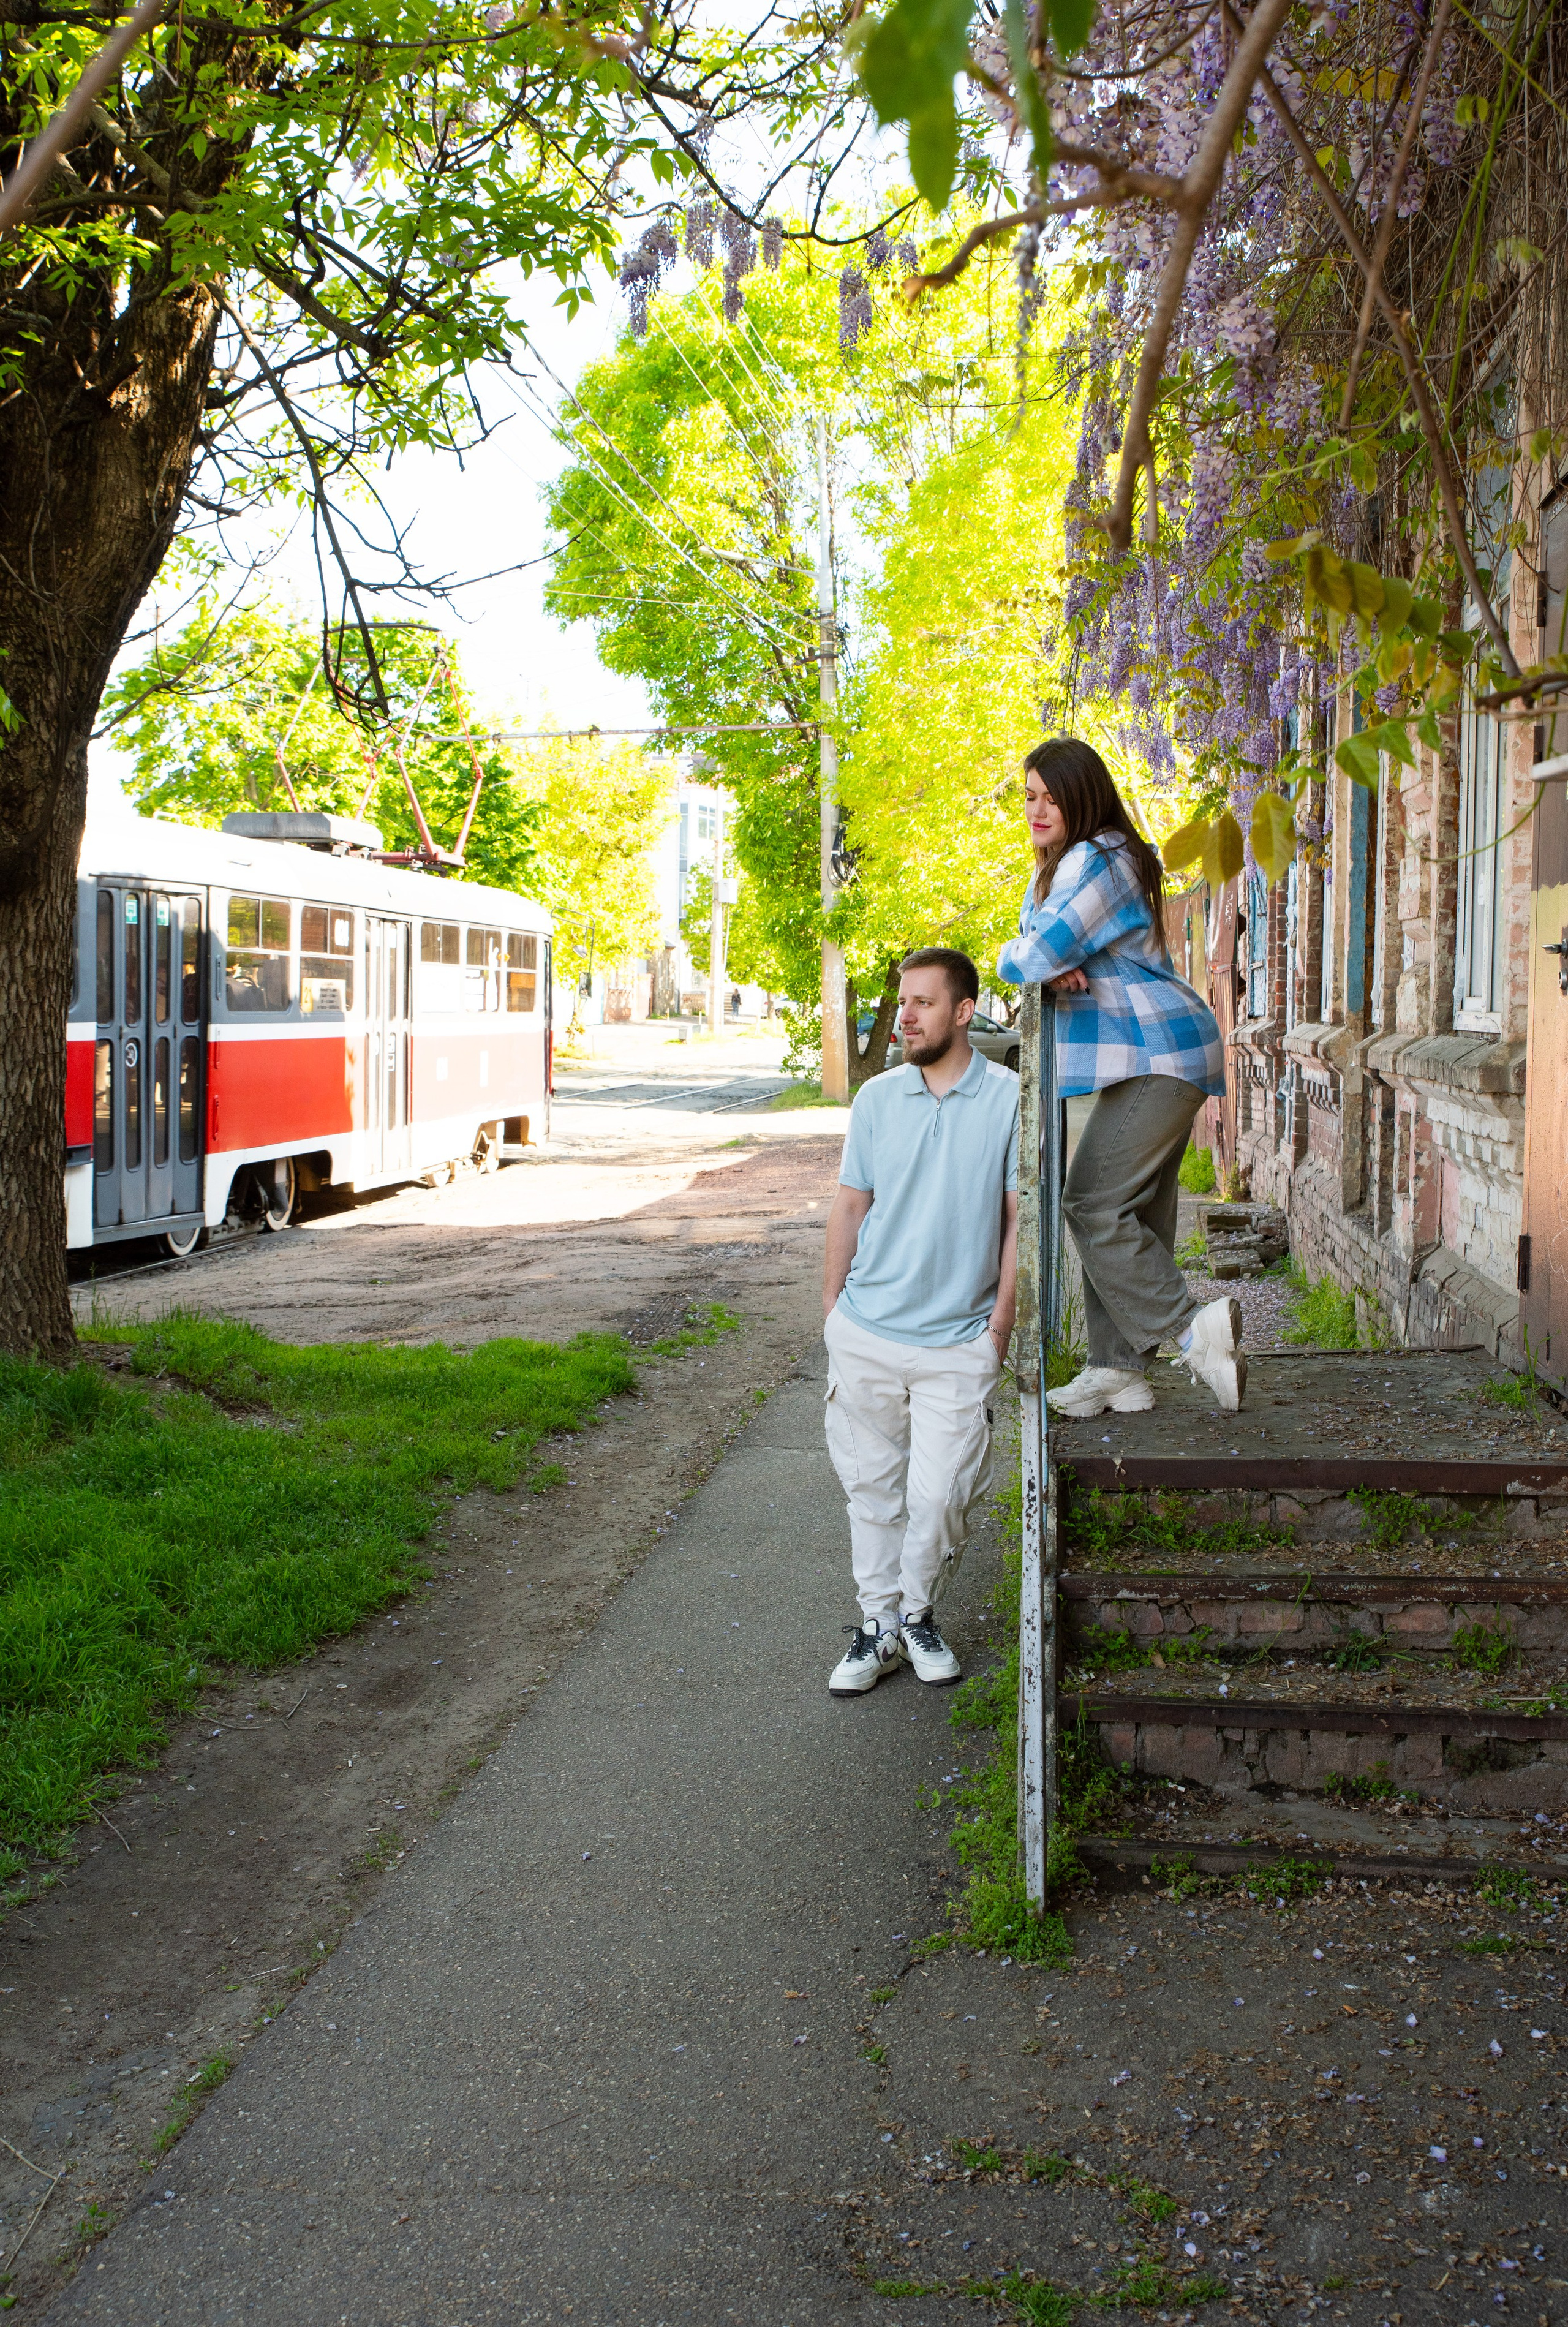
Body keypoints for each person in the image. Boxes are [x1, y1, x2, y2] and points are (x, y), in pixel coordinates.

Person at [996, 736, 1245, 1419]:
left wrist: (1035, 955)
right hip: (1155, 1056)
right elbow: (1047, 947)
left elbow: (1034, 950)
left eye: (1051, 796)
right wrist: (1049, 955)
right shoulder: (1072, 866)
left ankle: (1195, 1330)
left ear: (1084, 797)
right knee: (1126, 1211)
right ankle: (1117, 1371)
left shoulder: (1097, 857)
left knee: (1092, 1202)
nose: (1037, 810)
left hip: (1158, 1056)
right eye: (1029, 796)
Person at [821, 947, 1019, 1697]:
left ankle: (915, 1612)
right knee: (871, 1493)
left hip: (957, 1343)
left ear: (963, 1011)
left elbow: (1014, 1221)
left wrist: (996, 1331)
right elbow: (850, 1205)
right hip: (867, 1331)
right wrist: (834, 1315)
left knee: (943, 1497)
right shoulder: (876, 1099)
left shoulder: (1008, 1098)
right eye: (902, 1001)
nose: (904, 1016)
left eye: (923, 1003)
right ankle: (880, 1627)